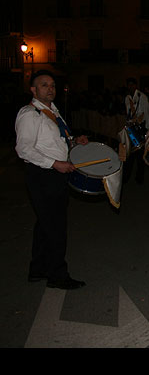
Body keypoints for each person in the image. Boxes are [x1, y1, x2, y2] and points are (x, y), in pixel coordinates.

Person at [15, 70, 90, 290]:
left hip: (53, 174)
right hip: (43, 175)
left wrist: (74, 141)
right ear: (33, 89)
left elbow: (55, 140)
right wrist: (55, 164)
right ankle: (58, 275)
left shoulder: (51, 111)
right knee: (56, 227)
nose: (50, 88)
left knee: (44, 224)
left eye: (53, 85)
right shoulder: (29, 114)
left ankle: (37, 268)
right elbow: (23, 149)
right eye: (44, 85)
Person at [123, 77, 149, 184]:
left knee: (139, 153)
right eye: (129, 85)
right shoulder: (127, 98)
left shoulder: (142, 97)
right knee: (129, 152)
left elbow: (145, 113)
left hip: (139, 127)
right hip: (130, 127)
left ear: (135, 85)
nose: (131, 87)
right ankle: (127, 176)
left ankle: (139, 177)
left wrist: (138, 122)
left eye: (132, 85)